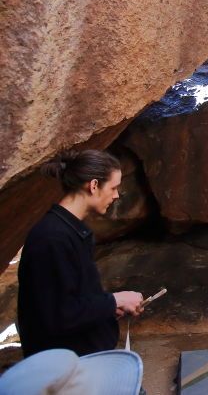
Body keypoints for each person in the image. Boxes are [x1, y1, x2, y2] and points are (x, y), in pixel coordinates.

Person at [17, 149, 144, 357]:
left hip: (81, 356)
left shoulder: (72, 230)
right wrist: (115, 301)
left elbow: (77, 298)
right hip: (65, 366)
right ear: (93, 186)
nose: (116, 195)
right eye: (113, 187)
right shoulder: (52, 239)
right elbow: (59, 315)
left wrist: (109, 307)